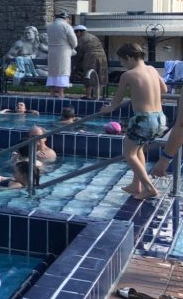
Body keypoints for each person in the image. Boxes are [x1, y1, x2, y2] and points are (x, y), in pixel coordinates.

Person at [100, 42, 167, 200]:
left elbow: (117, 99)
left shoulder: (128, 75)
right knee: (138, 150)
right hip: (159, 117)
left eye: (122, 62)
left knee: (128, 153)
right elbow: (164, 89)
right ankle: (135, 184)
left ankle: (149, 188)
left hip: (143, 119)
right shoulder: (151, 69)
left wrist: (109, 108)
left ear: (129, 58)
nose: (123, 65)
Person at [45, 12, 78, 98]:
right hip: (63, 50)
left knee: (52, 72)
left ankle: (52, 92)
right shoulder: (66, 26)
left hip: (52, 50)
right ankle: (61, 93)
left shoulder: (50, 26)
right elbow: (74, 41)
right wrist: (73, 46)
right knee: (63, 71)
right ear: (66, 18)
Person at [72, 25, 109, 100]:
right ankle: (97, 96)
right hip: (102, 57)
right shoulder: (93, 36)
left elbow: (79, 54)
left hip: (90, 57)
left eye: (75, 32)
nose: (75, 34)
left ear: (79, 32)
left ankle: (88, 95)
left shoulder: (81, 39)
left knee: (89, 75)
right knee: (100, 75)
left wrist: (75, 64)